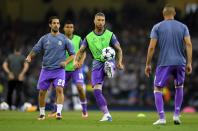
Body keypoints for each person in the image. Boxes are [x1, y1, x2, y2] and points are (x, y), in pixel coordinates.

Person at [145, 5, 192, 125]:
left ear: (163, 13)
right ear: (174, 13)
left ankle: (162, 117)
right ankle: (176, 115)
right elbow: (189, 44)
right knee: (179, 86)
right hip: (180, 62)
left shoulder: (157, 27)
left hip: (164, 62)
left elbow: (151, 48)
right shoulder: (183, 26)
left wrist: (148, 64)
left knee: (157, 88)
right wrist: (189, 62)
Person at [74, 12, 124, 122]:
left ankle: (109, 68)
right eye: (99, 20)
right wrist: (75, 61)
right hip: (96, 63)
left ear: (105, 22)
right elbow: (80, 51)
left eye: (102, 20)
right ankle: (107, 115)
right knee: (96, 91)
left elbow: (119, 49)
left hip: (108, 59)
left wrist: (119, 62)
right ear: (94, 21)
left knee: (108, 61)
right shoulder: (88, 37)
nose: (101, 22)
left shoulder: (110, 35)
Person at [25, 16, 75, 120]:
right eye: (54, 23)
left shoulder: (64, 39)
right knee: (42, 92)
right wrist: (30, 56)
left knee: (59, 89)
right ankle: (42, 114)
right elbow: (36, 49)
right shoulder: (44, 38)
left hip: (59, 70)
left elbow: (72, 55)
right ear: (50, 25)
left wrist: (66, 62)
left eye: (58, 23)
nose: (56, 25)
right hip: (46, 69)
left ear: (59, 25)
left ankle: (59, 113)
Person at [48, 20, 88, 118]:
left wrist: (81, 62)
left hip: (75, 69)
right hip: (62, 70)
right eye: (67, 27)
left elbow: (84, 52)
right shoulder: (59, 38)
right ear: (64, 28)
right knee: (59, 90)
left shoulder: (78, 39)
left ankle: (84, 109)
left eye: (71, 27)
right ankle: (55, 110)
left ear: (73, 28)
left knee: (80, 88)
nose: (69, 29)